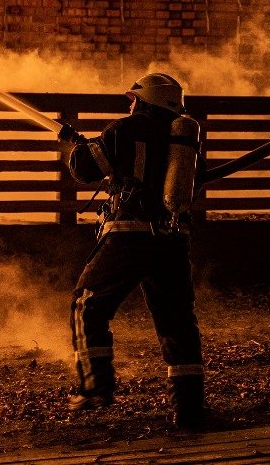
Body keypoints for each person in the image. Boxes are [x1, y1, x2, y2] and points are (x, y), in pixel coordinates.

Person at [56, 73, 204, 430]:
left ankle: (95, 387)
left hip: (128, 236)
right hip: (171, 239)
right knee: (177, 321)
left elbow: (85, 168)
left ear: (146, 101)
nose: (131, 104)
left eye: (134, 99)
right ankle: (189, 409)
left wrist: (71, 148)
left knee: (86, 303)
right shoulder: (181, 137)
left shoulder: (123, 129)